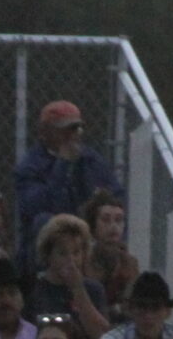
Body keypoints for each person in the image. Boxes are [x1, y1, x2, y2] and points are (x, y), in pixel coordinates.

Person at [13, 100, 122, 261]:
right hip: (48, 245)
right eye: (64, 130)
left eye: (76, 128)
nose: (72, 135)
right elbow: (36, 207)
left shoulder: (90, 160)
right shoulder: (30, 166)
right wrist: (62, 164)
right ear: (45, 132)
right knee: (43, 220)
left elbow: (116, 194)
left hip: (88, 237)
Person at [25, 213, 111, 339]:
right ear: (48, 255)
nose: (71, 260)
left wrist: (78, 289)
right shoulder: (33, 287)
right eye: (62, 253)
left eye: (76, 253)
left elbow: (101, 336)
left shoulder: (94, 289)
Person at [82, 191, 141, 320]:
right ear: (93, 225)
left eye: (119, 220)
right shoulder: (82, 260)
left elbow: (131, 306)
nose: (113, 226)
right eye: (105, 220)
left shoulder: (130, 263)